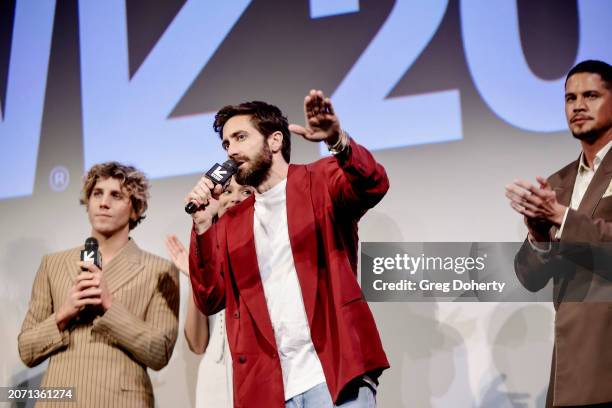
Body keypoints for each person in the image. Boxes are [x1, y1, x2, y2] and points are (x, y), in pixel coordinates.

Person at [186, 90, 390, 407]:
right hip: (269, 389)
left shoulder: (319, 180)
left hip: (332, 373)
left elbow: (373, 184)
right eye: (226, 144)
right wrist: (202, 225)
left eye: (240, 138)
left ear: (275, 141)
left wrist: (338, 140)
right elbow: (210, 297)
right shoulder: (232, 221)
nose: (231, 151)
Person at [18, 162, 180, 408]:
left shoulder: (159, 270)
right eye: (97, 193)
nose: (104, 202)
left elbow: (159, 353)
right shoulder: (53, 265)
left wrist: (109, 305)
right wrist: (63, 315)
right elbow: (27, 350)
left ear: (135, 209)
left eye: (116, 195)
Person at [506, 60, 612, 407]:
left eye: (591, 95)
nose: (578, 106)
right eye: (570, 98)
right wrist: (538, 234)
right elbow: (530, 277)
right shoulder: (558, 183)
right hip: (572, 360)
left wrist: (559, 217)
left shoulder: (556, 201)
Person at [165, 177, 253, 408]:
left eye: (245, 191)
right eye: (227, 191)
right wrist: (196, 277)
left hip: (258, 371)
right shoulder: (206, 254)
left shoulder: (268, 247)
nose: (235, 198)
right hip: (214, 379)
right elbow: (197, 344)